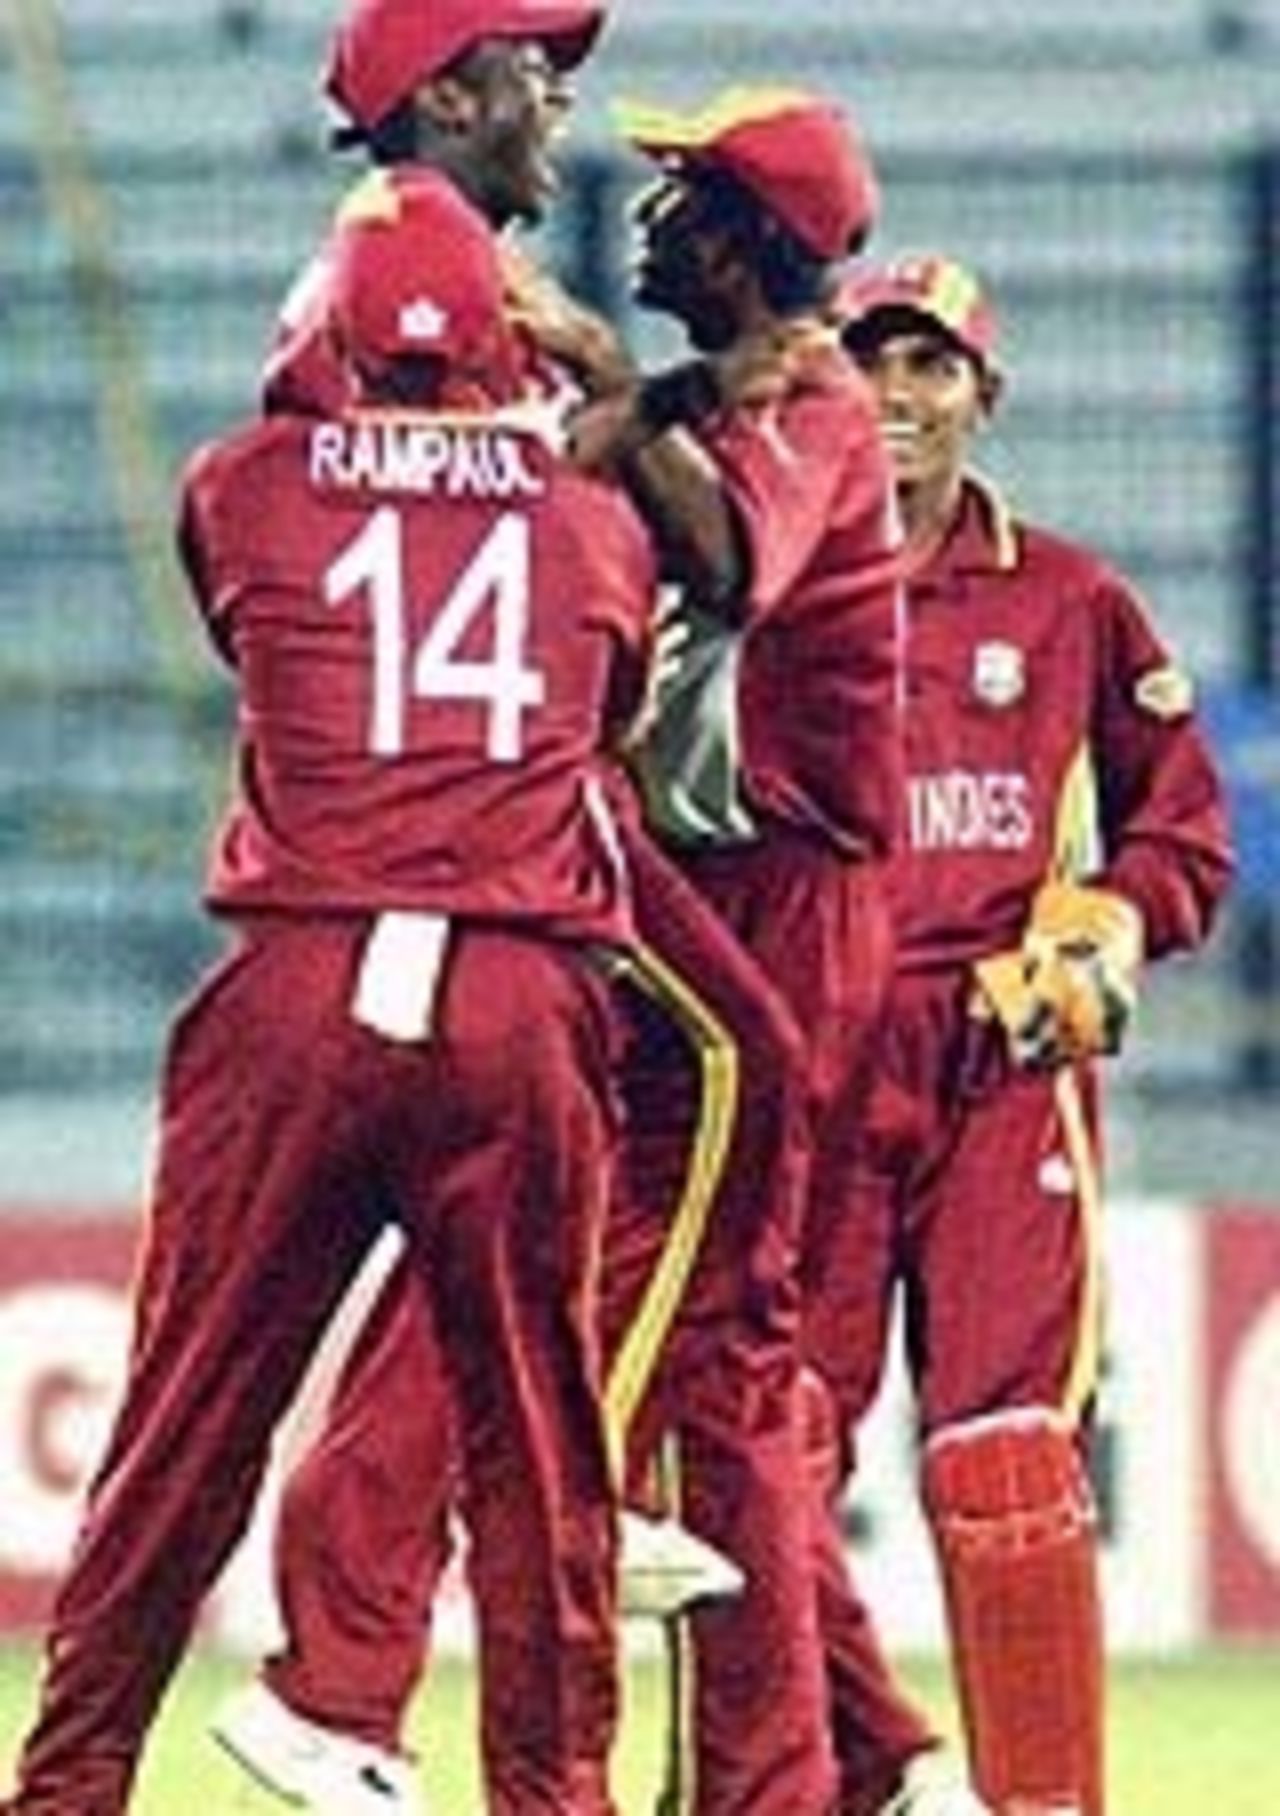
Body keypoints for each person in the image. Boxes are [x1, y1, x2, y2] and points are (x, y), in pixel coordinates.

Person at [213, 17, 846, 1816]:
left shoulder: (411, 268)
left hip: (495, 825)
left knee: (534, 1204)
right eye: (536, 79)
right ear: (447, 97)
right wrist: (665, 398)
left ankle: (401, 1634)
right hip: (498, 827)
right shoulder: (410, 272)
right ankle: (543, 1512)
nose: (564, 120)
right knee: (737, 1066)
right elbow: (540, 543)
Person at [0, 165, 662, 1816]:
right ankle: (551, 1795)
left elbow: (257, 566)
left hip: (297, 988)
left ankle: (68, 1787)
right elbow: (615, 695)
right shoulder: (593, 522)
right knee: (536, 1459)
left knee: (184, 1430)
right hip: (516, 995)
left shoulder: (250, 486)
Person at [798, 252, 1236, 1816]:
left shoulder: (1069, 600)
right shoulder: (770, 575)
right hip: (815, 1068)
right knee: (761, 1463)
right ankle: (848, 1779)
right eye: (871, 364)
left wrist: (1111, 923)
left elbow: (1183, 841)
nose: (899, 398)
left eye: (931, 368)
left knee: (1005, 1461)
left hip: (1004, 1066)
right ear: (821, 382)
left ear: (986, 392)